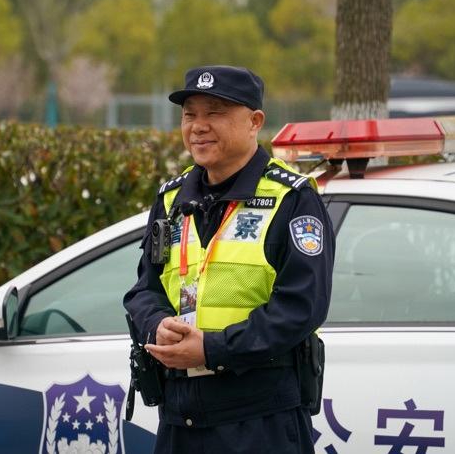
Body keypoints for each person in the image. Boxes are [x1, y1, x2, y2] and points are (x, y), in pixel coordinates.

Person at [123, 65, 334, 454]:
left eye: (215, 112)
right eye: (190, 114)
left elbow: (301, 307)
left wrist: (212, 349)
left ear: (255, 122)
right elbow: (144, 290)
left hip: (259, 419)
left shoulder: (292, 199)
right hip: (180, 418)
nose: (198, 126)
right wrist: (157, 325)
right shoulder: (171, 200)